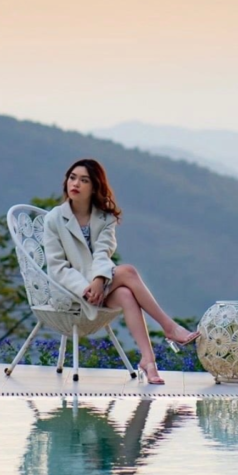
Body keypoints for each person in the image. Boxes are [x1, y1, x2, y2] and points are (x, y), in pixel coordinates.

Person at [42, 158, 199, 385]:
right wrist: (86, 287)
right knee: (128, 272)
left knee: (126, 294)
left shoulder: (104, 218)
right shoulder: (54, 218)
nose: (75, 183)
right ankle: (170, 328)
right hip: (70, 292)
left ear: (95, 187)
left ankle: (148, 360)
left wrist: (98, 280)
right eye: (72, 177)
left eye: (84, 180)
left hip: (99, 285)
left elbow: (103, 254)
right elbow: (57, 268)